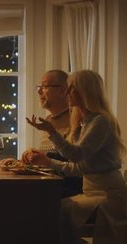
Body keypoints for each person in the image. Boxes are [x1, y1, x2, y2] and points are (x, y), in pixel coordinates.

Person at [26, 69, 127, 244]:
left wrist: (52, 133)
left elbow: (76, 155)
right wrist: (47, 161)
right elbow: (79, 167)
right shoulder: (86, 122)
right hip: (93, 192)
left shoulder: (101, 121)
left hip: (109, 196)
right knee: (53, 214)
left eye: (72, 88)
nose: (67, 92)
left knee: (53, 214)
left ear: (85, 92)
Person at [23, 69, 82, 197]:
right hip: (51, 185)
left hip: (68, 188)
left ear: (62, 91)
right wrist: (29, 156)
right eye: (39, 87)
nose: (39, 91)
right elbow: (48, 156)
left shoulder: (77, 121)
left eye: (44, 87)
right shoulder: (49, 120)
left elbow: (75, 162)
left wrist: (44, 158)